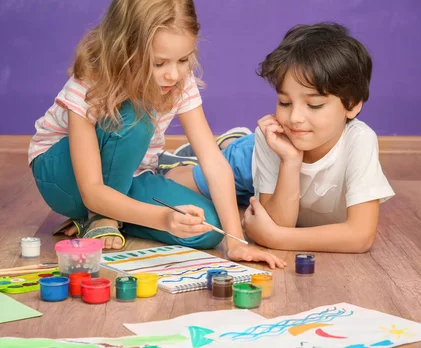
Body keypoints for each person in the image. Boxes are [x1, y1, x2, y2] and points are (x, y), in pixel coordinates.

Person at [28, 0, 285, 268]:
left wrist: (236, 241)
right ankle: (101, 216)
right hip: (65, 177)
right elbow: (92, 190)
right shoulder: (92, 80)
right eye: (159, 63)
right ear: (124, 49)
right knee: (136, 117)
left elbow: (214, 162)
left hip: (128, 176)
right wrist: (162, 218)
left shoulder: (178, 80)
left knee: (203, 228)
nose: (173, 74)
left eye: (183, 59)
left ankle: (115, 215)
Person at [161, 22, 395, 253]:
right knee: (174, 177)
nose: (294, 118)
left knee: (242, 199)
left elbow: (361, 236)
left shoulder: (360, 141)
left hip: (267, 174)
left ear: (352, 105)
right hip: (249, 162)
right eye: (284, 102)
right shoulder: (274, 137)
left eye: (314, 105)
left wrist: (276, 237)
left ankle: (234, 140)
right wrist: (290, 162)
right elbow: (276, 222)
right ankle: (226, 145)